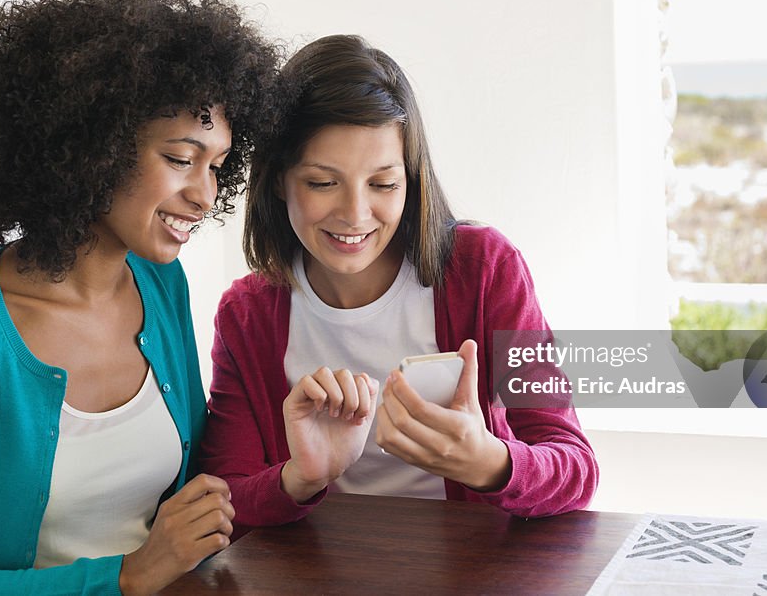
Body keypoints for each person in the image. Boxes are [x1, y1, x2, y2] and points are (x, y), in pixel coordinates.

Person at [0, 0, 283, 594]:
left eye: (218, 165)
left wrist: (300, 474)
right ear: (90, 144)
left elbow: (196, 504)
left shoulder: (161, 286)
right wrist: (124, 578)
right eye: (180, 158)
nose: (205, 196)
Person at [201, 34, 598, 534]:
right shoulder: (248, 313)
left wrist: (490, 462)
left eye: (383, 183)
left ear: (411, 179)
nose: (355, 214)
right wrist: (300, 477)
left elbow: (575, 468)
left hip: (468, 571)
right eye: (322, 183)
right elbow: (224, 494)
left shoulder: (483, 270)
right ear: (279, 180)